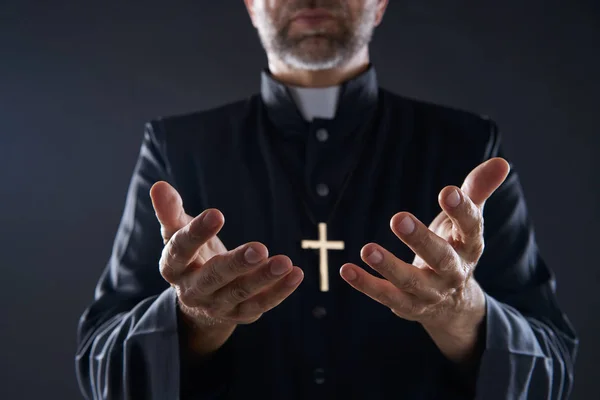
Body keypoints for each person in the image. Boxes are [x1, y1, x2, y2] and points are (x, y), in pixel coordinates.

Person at [75, 0, 578, 399]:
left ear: (380, 4)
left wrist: (461, 312)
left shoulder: (466, 146)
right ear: (251, 4)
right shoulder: (177, 148)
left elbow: (551, 366)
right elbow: (102, 367)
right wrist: (191, 318)